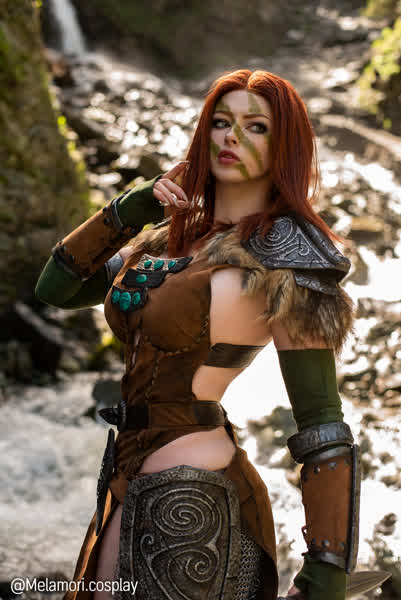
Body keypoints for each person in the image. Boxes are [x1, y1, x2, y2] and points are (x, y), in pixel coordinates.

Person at [35, 69, 360, 600]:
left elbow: (322, 421)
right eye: (221, 122)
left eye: (257, 127)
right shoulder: (167, 238)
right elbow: (58, 287)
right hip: (123, 476)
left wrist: (327, 568)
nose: (232, 137)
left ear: (285, 147)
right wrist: (133, 206)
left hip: (192, 492)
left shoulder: (288, 259)